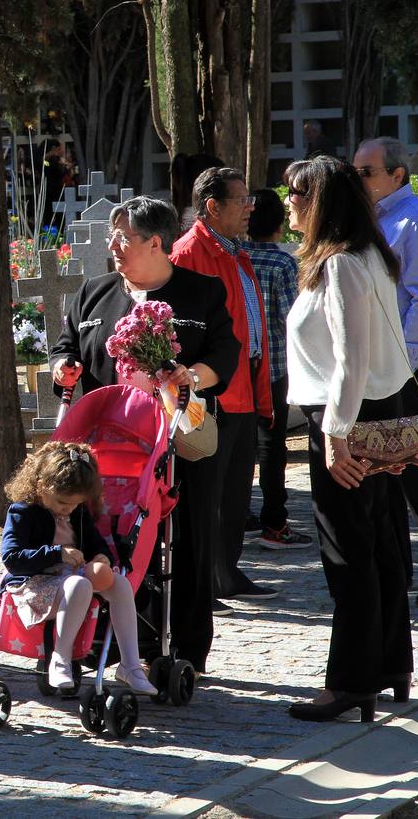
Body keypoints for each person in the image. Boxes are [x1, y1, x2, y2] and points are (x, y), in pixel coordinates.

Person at [51, 195, 239, 674]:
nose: (113, 246)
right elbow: (66, 344)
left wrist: (189, 376)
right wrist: (63, 366)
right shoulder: (93, 292)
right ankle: (99, 644)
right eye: (113, 236)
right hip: (108, 451)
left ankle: (185, 652)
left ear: (156, 243)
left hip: (179, 442)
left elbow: (225, 357)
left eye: (124, 238)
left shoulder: (203, 292)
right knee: (108, 541)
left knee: (189, 541)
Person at [283, 156, 414, 719]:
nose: (288, 204)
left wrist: (336, 435)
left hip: (348, 416)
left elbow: (349, 360)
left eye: (296, 195)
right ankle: (390, 667)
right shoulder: (370, 256)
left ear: (318, 204)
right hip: (385, 409)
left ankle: (351, 681)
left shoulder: (340, 264)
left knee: (349, 553)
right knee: (381, 543)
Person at [172, 167, 277, 606]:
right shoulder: (189, 252)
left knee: (235, 492)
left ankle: (225, 573)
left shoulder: (236, 251)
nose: (250, 207)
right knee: (204, 495)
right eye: (242, 200)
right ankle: (199, 581)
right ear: (213, 207)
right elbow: (177, 327)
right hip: (209, 392)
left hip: (243, 387)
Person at [0, 442, 158, 696]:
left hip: (72, 580)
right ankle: (60, 658)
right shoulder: (23, 512)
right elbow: (12, 557)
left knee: (120, 584)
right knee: (79, 584)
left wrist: (101, 558)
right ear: (41, 486)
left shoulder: (77, 514)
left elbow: (97, 544)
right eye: (63, 503)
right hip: (34, 583)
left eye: (74, 505)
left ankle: (130, 664)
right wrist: (57, 553)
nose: (68, 510)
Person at [354, 136, 418, 608]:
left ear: (397, 175)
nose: (359, 181)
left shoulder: (413, 221)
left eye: (368, 173)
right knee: (397, 475)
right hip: (387, 367)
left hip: (411, 368)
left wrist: (406, 361)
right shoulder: (375, 220)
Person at [239, 190, 312, 550]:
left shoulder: (238, 258)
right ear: (280, 227)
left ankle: (242, 515)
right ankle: (275, 522)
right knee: (271, 446)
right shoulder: (284, 264)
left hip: (239, 367)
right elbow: (292, 318)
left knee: (241, 445)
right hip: (275, 366)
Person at [40, 139, 68, 236]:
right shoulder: (49, 160)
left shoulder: (55, 160)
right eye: (59, 149)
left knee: (59, 217)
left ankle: (58, 236)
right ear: (54, 149)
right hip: (51, 192)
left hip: (57, 191)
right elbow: (47, 166)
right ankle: (50, 237)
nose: (62, 151)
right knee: (49, 217)